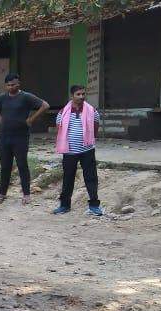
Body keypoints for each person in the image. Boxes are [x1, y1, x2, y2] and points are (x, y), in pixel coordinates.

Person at [0, 73, 50, 206]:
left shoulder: (26, 97)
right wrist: (0, 120)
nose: (11, 87)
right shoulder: (3, 98)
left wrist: (31, 119)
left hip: (21, 137)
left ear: (19, 84)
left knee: (22, 165)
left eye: (14, 84)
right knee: (5, 166)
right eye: (9, 85)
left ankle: (26, 195)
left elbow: (45, 105)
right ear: (5, 86)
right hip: (4, 137)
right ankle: (2, 194)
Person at [54, 85, 103, 216]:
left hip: (87, 150)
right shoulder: (63, 112)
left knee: (91, 178)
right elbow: (59, 130)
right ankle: (64, 205)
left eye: (83, 94)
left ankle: (94, 206)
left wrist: (88, 141)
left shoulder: (92, 111)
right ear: (72, 96)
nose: (81, 97)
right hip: (69, 152)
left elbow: (95, 127)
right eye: (78, 94)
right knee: (68, 178)